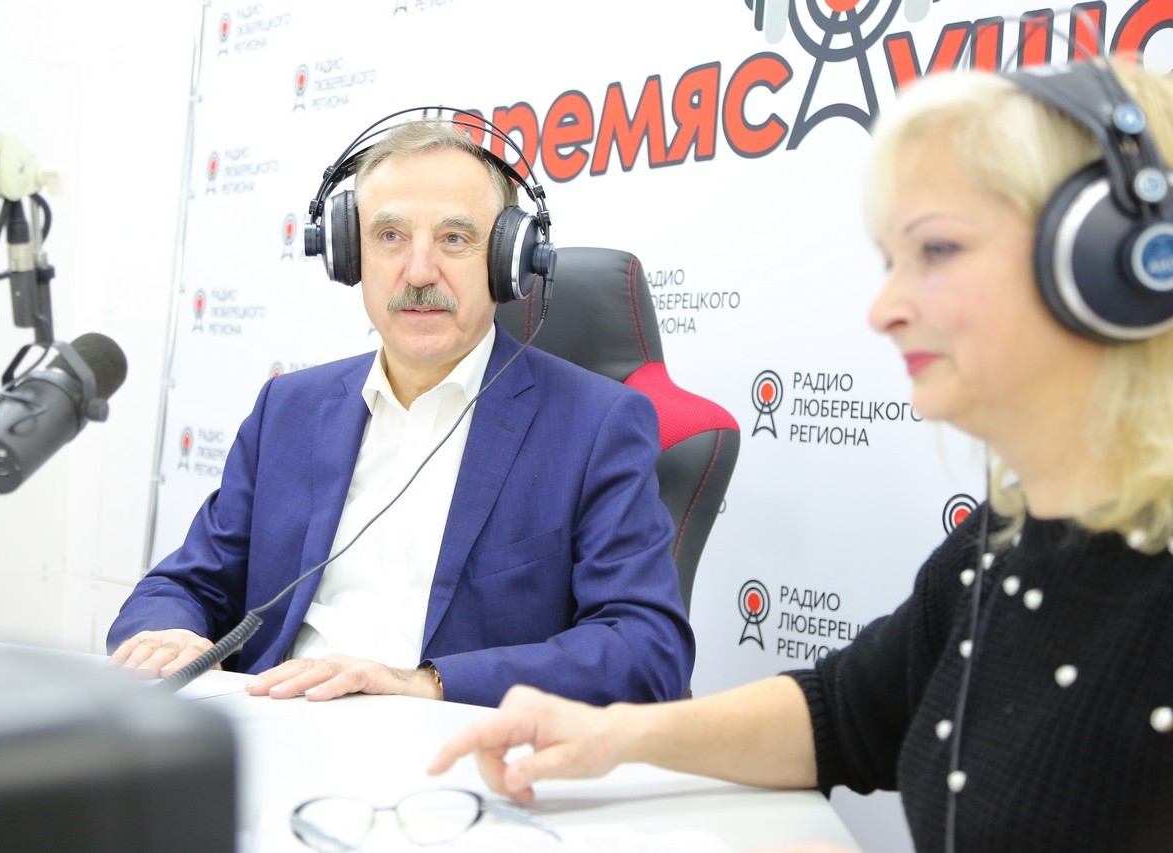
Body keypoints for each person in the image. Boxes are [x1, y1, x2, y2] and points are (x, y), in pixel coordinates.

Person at [429, 59, 1173, 851]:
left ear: (1108, 260)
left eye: (939, 249)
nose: (885, 309)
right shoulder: (1001, 542)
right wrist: (617, 736)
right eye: (891, 261)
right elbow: (843, 713)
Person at [107, 117, 695, 708]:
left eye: (455, 239)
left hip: (455, 741)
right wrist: (171, 633)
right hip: (274, 720)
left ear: (507, 260)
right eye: (389, 236)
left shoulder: (595, 424)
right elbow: (185, 584)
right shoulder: (288, 409)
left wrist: (424, 684)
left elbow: (646, 649)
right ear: (348, 254)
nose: (418, 272)